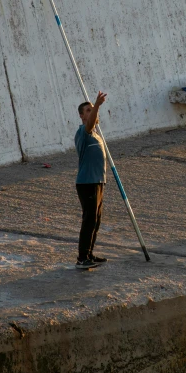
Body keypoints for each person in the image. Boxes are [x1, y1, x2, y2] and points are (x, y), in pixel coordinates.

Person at [74, 91, 108, 269]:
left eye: (93, 110)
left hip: (98, 182)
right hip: (87, 183)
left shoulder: (96, 135)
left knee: (96, 220)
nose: (93, 112)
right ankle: (81, 258)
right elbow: (90, 122)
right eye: (88, 110)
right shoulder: (84, 132)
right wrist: (97, 104)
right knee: (89, 220)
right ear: (81, 116)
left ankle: (89, 254)